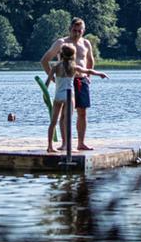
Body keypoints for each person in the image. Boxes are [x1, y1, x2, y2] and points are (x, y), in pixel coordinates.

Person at [41, 18, 98, 150]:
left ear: (83, 31)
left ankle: (81, 143)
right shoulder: (62, 43)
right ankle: (65, 143)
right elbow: (45, 60)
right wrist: (54, 77)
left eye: (80, 31)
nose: (77, 33)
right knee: (64, 115)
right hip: (65, 82)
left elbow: (90, 60)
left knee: (82, 112)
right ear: (69, 29)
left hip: (81, 80)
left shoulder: (86, 43)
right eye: (74, 30)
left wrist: (88, 76)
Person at [45, 44, 108, 153]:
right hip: (69, 96)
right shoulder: (74, 67)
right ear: (73, 55)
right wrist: (100, 74)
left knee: (53, 122)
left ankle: (50, 146)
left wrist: (46, 93)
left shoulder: (55, 67)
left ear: (61, 54)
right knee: (67, 122)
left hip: (58, 96)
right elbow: (88, 71)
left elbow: (47, 83)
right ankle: (68, 146)